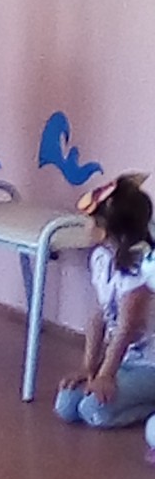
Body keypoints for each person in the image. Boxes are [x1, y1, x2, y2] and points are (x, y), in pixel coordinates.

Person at [54, 173, 155, 428]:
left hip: (148, 365)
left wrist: (106, 375)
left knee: (93, 410)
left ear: (105, 228)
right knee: (67, 405)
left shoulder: (142, 267)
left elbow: (127, 328)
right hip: (124, 361)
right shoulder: (101, 257)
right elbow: (99, 315)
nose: (86, 226)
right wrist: (89, 367)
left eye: (91, 221)